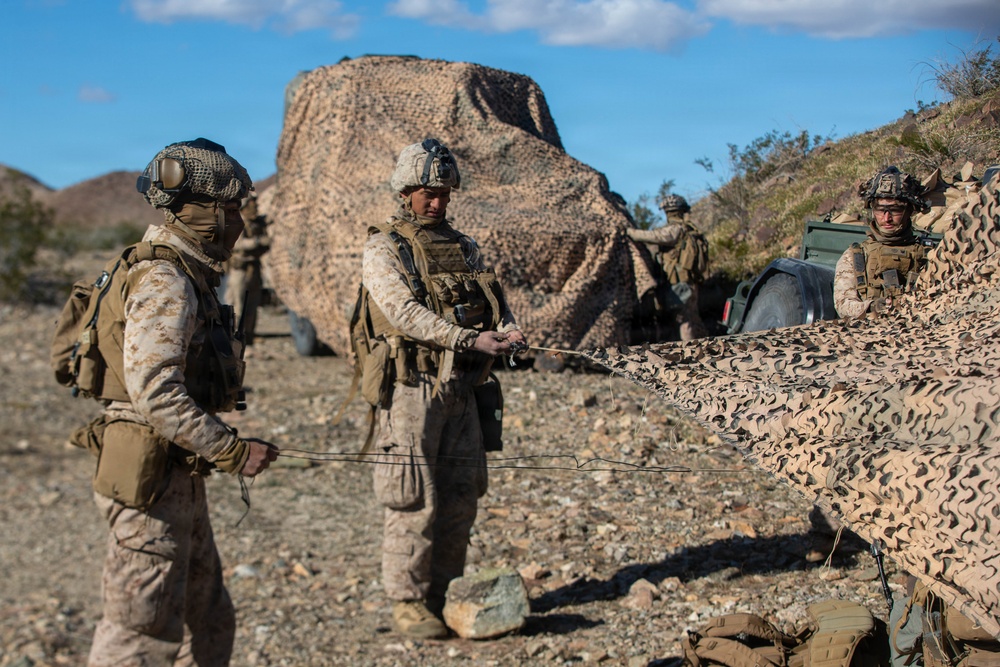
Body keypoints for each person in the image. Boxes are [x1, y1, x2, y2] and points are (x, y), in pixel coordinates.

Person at [87, 138, 279, 665]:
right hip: (149, 475)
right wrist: (234, 451)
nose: (239, 222)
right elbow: (155, 390)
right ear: (202, 212)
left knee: (208, 617)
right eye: (231, 209)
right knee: (141, 632)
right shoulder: (166, 278)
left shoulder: (190, 272)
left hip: (177, 470)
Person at [359, 138, 526, 639]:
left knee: (461, 494)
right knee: (412, 498)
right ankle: (407, 602)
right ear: (406, 191)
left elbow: (494, 300)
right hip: (412, 386)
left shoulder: (464, 245)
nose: (438, 202)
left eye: (445, 193)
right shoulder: (384, 247)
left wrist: (510, 331)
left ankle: (445, 591)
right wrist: (470, 337)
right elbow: (403, 313)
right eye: (428, 193)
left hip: (463, 385)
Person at [805, 165, 931, 563]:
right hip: (867, 372)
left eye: (895, 209)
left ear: (909, 211)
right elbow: (846, 307)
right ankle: (829, 537)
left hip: (916, 374)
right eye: (881, 209)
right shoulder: (855, 257)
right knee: (843, 458)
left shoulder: (929, 258)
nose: (888, 217)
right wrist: (877, 309)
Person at [627, 194, 709, 341]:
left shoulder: (676, 230)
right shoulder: (689, 229)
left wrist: (630, 233)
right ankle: (704, 347)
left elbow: (655, 236)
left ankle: (692, 351)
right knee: (692, 317)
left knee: (684, 320)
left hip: (680, 282)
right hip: (688, 281)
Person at [224, 192, 270, 346]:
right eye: (252, 204)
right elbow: (238, 244)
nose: (255, 207)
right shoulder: (239, 222)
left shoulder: (255, 223)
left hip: (254, 269)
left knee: (253, 304)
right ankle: (236, 335)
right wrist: (257, 241)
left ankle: (249, 335)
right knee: (238, 304)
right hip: (240, 270)